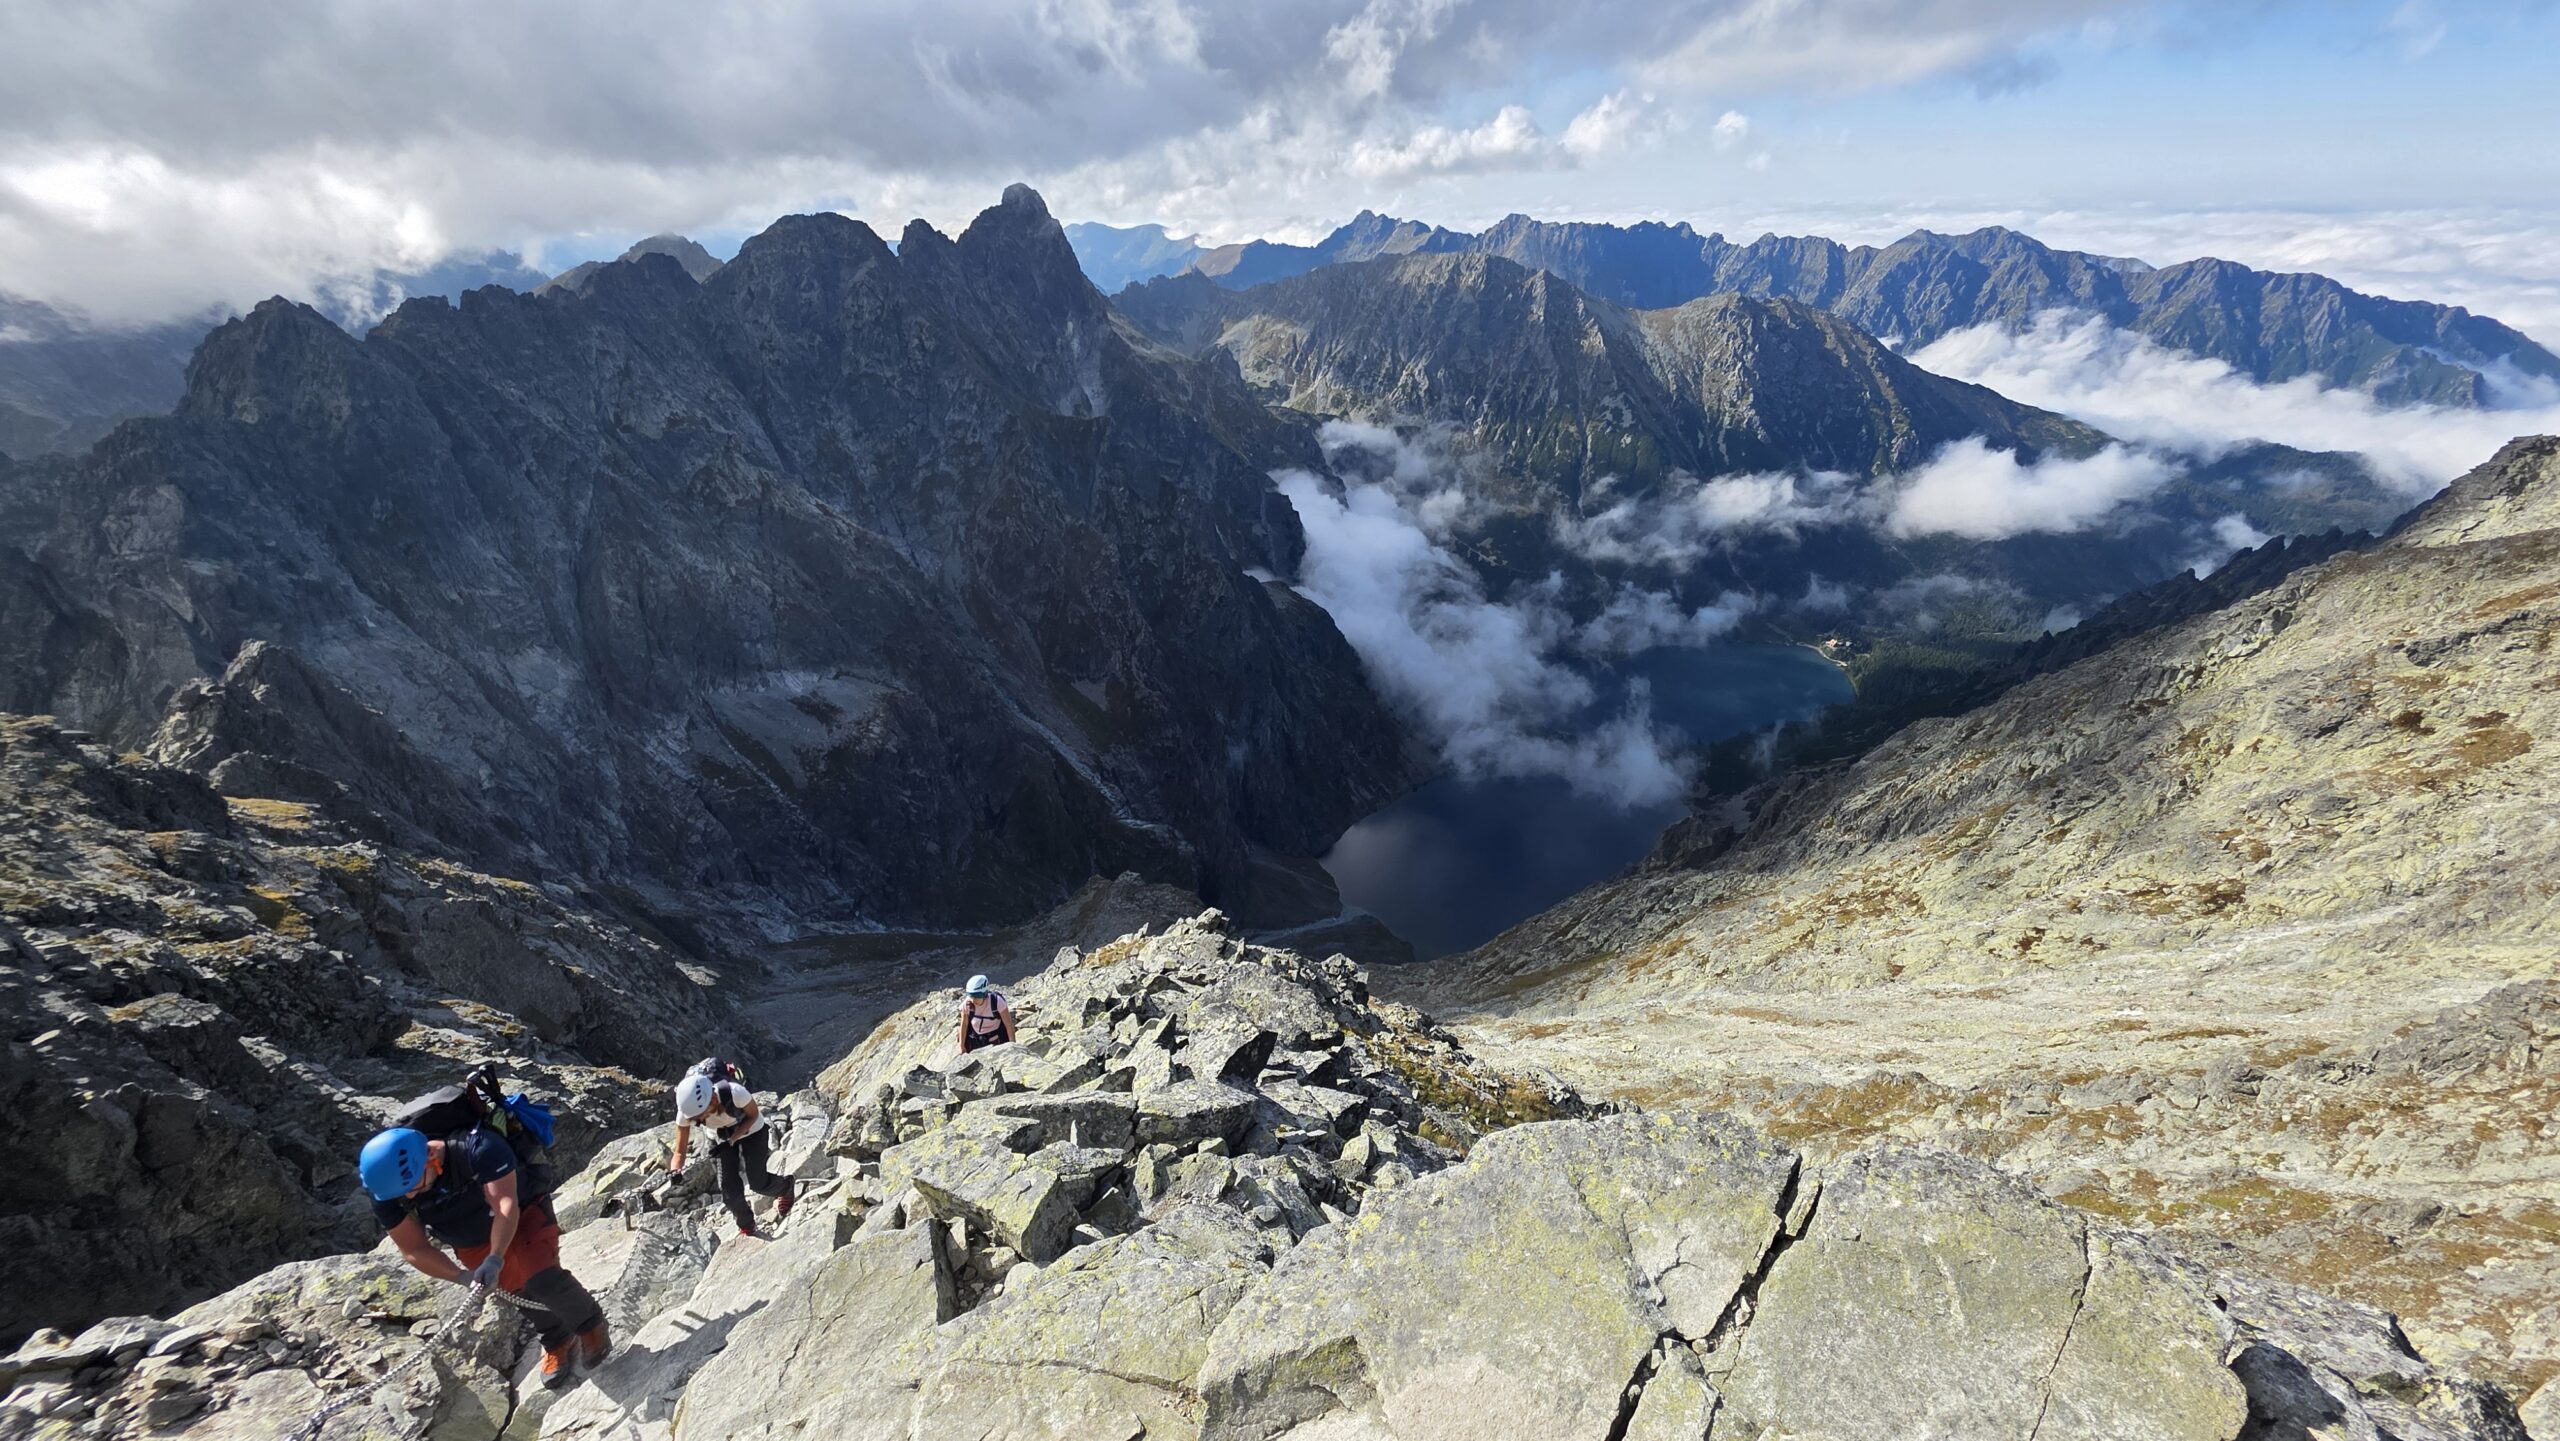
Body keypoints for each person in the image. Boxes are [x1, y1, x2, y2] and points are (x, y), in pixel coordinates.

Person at [360, 1125, 608, 1390]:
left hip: (524, 1213)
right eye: (403, 1192)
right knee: (515, 1288)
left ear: (430, 1156)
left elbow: (505, 1205)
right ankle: (556, 1337)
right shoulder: (388, 1191)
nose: (408, 1196)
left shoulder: (478, 1148)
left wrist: (495, 1257)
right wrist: (461, 1276)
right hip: (469, 1240)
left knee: (541, 1277)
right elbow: (414, 1249)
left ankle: (590, 1324)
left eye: (413, 1186)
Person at [671, 1065, 792, 1238]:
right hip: (720, 1138)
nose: (697, 1121)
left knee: (758, 1182)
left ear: (712, 1101)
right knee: (729, 1191)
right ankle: (747, 1226)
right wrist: (674, 1171)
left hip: (752, 1131)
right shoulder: (687, 1112)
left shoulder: (736, 1093)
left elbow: (754, 1115)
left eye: (700, 1116)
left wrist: (733, 1139)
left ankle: (786, 1187)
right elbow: (679, 1152)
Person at [956, 974, 1016, 1054]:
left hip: (997, 1039)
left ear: (984, 994)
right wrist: (961, 1046)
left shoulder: (997, 1002)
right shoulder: (967, 1004)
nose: (973, 1000)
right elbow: (964, 1024)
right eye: (971, 996)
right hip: (977, 1041)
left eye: (977, 996)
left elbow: (1008, 1025)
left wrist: (1013, 1045)